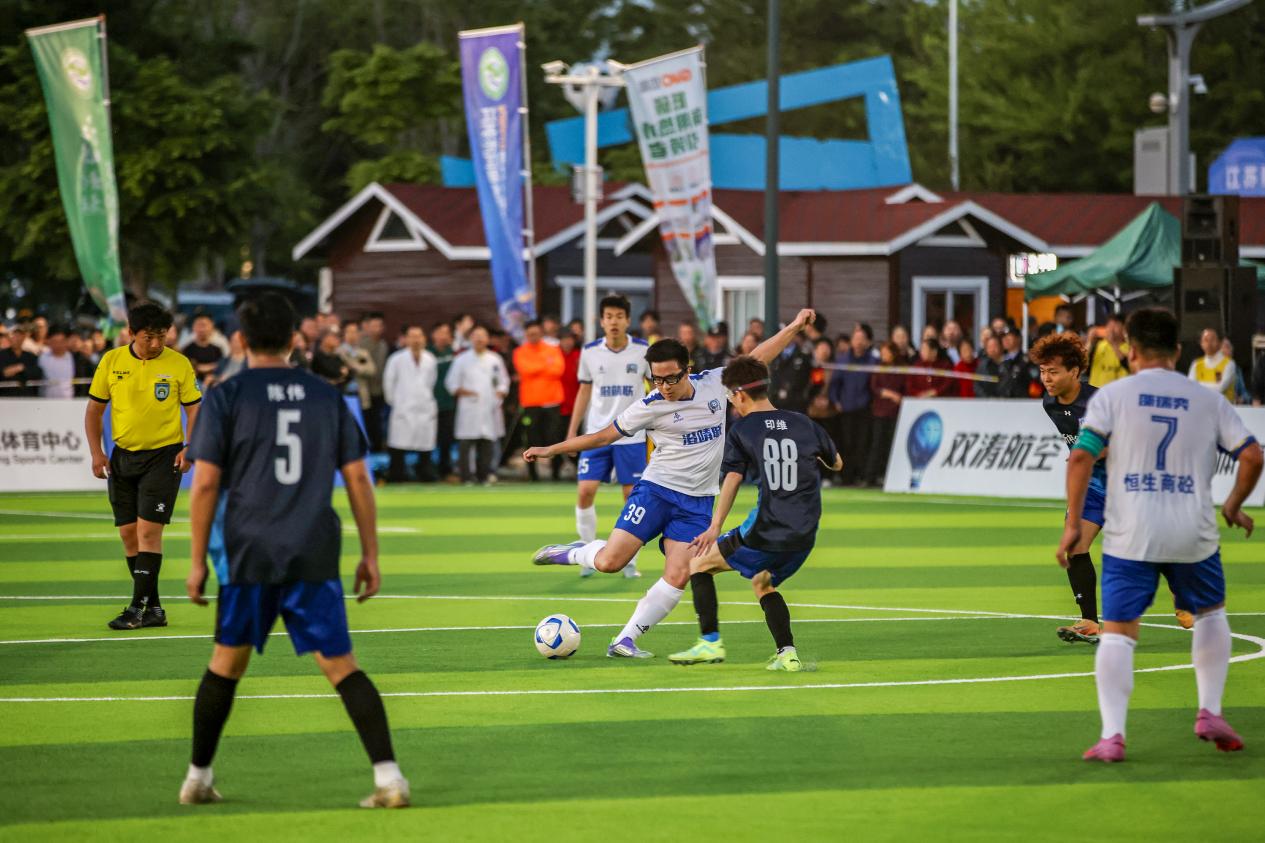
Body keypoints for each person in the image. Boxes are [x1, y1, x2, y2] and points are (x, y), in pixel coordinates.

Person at [181, 292, 408, 808]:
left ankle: (197, 778)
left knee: (225, 664)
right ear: (293, 339)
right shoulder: (326, 396)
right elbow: (358, 480)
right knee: (341, 665)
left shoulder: (225, 395)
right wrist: (370, 554)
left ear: (241, 339)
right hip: (312, 548)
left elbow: (205, 484)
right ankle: (390, 778)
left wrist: (196, 562)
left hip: (248, 550)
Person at [525, 310, 817, 659]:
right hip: (656, 490)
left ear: (688, 369)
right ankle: (575, 552)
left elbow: (757, 358)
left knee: (680, 574)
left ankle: (625, 640)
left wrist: (794, 327)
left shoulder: (715, 383)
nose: (663, 387)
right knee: (609, 562)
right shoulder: (649, 406)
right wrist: (551, 450)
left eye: (671, 379)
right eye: (656, 379)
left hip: (698, 502)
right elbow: (603, 436)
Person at [1060, 307, 1263, 763]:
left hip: (1131, 530)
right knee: (1210, 615)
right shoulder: (1207, 398)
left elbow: (1081, 457)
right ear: (1176, 350)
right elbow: (1252, 456)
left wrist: (1073, 526)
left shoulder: (1112, 397)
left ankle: (1113, 736)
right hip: (1192, 529)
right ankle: (1210, 711)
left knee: (1118, 633)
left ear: (1131, 351)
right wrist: (1233, 505)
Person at [668, 355, 842, 670]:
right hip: (804, 534)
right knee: (762, 582)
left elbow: (733, 479)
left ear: (740, 393)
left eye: (730, 396)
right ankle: (787, 654)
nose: (731, 403)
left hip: (766, 529)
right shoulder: (804, 423)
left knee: (698, 564)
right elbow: (837, 463)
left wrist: (714, 526)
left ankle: (709, 643)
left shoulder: (743, 429)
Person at [85, 301, 200, 630]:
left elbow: (195, 409)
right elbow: (94, 411)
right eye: (149, 337)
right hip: (122, 457)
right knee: (128, 534)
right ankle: (155, 609)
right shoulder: (112, 361)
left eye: (162, 336)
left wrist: (190, 446)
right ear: (132, 333)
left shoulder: (178, 364)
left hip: (164, 457)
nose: (156, 343)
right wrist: (97, 453)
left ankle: (136, 609)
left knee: (149, 532)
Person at [1031, 333, 1107, 644]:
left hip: (1126, 482)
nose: (1046, 379)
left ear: (1075, 372)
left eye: (1054, 372)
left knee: (1148, 551)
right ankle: (1090, 621)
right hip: (1092, 484)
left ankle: (1185, 593)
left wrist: (1088, 453)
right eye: (1042, 371)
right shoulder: (1049, 403)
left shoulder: (1099, 402)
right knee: (1075, 546)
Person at [566, 295, 649, 580]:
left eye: (619, 316)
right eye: (609, 317)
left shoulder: (643, 350)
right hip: (596, 434)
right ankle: (587, 553)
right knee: (585, 491)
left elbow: (655, 389)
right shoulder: (590, 352)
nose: (614, 322)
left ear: (628, 320)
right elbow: (584, 391)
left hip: (632, 435)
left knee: (632, 498)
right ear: (601, 321)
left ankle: (630, 560)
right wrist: (572, 431)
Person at [445, 326, 509, 485]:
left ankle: (484, 476)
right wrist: (466, 392)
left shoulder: (495, 359)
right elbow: (451, 383)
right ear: (470, 339)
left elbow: (503, 382)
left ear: (487, 339)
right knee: (466, 443)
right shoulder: (461, 359)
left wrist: (500, 392)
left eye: (482, 336)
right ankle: (466, 476)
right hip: (469, 407)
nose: (479, 339)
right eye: (476, 336)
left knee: (487, 443)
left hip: (489, 407)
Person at [383, 325, 438, 483]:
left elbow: (431, 381)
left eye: (419, 336)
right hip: (403, 406)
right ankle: (397, 474)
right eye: (412, 336)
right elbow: (389, 382)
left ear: (424, 339)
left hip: (424, 406)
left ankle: (424, 473)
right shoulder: (396, 359)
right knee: (399, 443)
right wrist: (395, 402)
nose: (416, 340)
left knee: (425, 443)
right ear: (406, 339)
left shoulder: (430, 359)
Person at [513, 320, 567, 482]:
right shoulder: (520, 351)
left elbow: (558, 370)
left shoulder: (553, 349)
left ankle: (556, 474)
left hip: (552, 401)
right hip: (530, 403)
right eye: (530, 334)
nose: (533, 336)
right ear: (525, 335)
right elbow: (525, 369)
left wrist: (536, 367)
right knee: (531, 439)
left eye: (536, 333)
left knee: (555, 438)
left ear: (541, 333)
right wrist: (545, 364)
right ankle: (533, 475)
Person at [829, 323, 878, 486]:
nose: (859, 342)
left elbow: (875, 384)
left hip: (865, 409)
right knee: (847, 443)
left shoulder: (873, 361)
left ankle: (861, 475)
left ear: (868, 342)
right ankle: (846, 477)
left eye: (862, 339)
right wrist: (836, 401)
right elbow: (834, 384)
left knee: (863, 443)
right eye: (856, 338)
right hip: (846, 408)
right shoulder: (843, 360)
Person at [867, 342, 905, 486]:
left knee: (891, 445)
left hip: (895, 411)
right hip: (880, 411)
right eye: (882, 353)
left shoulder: (901, 369)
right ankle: (870, 476)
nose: (884, 355)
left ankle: (889, 476)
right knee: (877, 444)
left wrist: (897, 397)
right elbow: (874, 387)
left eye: (886, 352)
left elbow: (904, 387)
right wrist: (890, 394)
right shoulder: (878, 368)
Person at [428, 321, 458, 481]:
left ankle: (445, 470)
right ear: (433, 334)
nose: (443, 336)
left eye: (447, 333)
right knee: (428, 438)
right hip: (429, 403)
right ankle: (427, 469)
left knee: (446, 439)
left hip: (448, 403)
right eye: (440, 332)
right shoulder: (427, 353)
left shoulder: (453, 353)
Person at [358, 313, 389, 452]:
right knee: (367, 419)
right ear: (368, 327)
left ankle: (378, 446)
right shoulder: (361, 345)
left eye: (379, 325)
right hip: (365, 390)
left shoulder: (383, 345)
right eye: (373, 325)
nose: (376, 328)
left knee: (378, 420)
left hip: (380, 389)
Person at [38, 324, 92, 399]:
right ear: (49, 341)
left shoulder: (75, 359)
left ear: (66, 341)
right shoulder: (42, 358)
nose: (58, 345)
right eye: (55, 341)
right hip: (45, 401)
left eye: (61, 341)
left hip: (70, 402)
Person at [1188, 327, 1236, 403]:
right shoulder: (1196, 364)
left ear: (1220, 343)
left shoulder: (1229, 364)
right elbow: (1190, 387)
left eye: (1212, 340)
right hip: (1202, 406)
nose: (1209, 343)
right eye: (1206, 340)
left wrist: (1198, 385)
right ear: (1201, 344)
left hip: (1224, 408)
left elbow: (1220, 388)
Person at [0, 323, 43, 397]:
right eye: (14, 335)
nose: (17, 338)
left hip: (27, 397)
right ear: (9, 338)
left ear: (24, 338)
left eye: (20, 335)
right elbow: (3, 373)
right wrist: (7, 372)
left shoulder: (31, 356)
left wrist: (22, 368)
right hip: (6, 398)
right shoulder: (2, 355)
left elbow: (37, 373)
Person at [1088, 314, 1130, 387]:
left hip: (1116, 391)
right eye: (1109, 326)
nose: (1111, 330)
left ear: (1124, 329)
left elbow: (1128, 366)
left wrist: (1113, 343)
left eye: (1115, 326)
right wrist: (1089, 342)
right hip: (1094, 390)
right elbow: (1083, 363)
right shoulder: (1099, 344)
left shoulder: (1129, 347)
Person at [181, 314, 225, 385]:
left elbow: (221, 369)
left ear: (212, 327)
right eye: (199, 325)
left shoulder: (218, 350)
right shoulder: (187, 350)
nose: (202, 329)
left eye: (204, 325)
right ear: (193, 327)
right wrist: (210, 367)